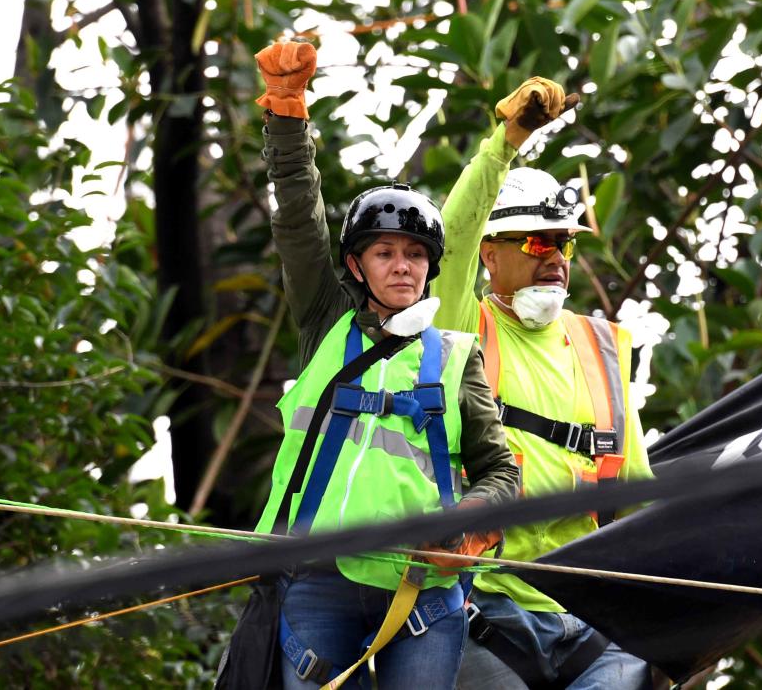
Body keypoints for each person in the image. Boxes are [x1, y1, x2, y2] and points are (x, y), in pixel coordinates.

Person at [248, 40, 521, 689]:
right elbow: (296, 220)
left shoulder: (456, 356)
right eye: (384, 253)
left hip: (421, 590)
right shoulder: (327, 326)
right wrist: (287, 117)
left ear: (431, 265)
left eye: (415, 254)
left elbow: (500, 469)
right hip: (319, 578)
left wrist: (469, 524)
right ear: (355, 266)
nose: (402, 266)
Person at [430, 78, 655, 689]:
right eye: (536, 242)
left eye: (564, 245)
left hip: (593, 620)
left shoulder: (604, 346)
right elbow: (445, 245)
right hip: (484, 609)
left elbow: (639, 498)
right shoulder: (460, 331)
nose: (555, 258)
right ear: (489, 255)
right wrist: (507, 143)